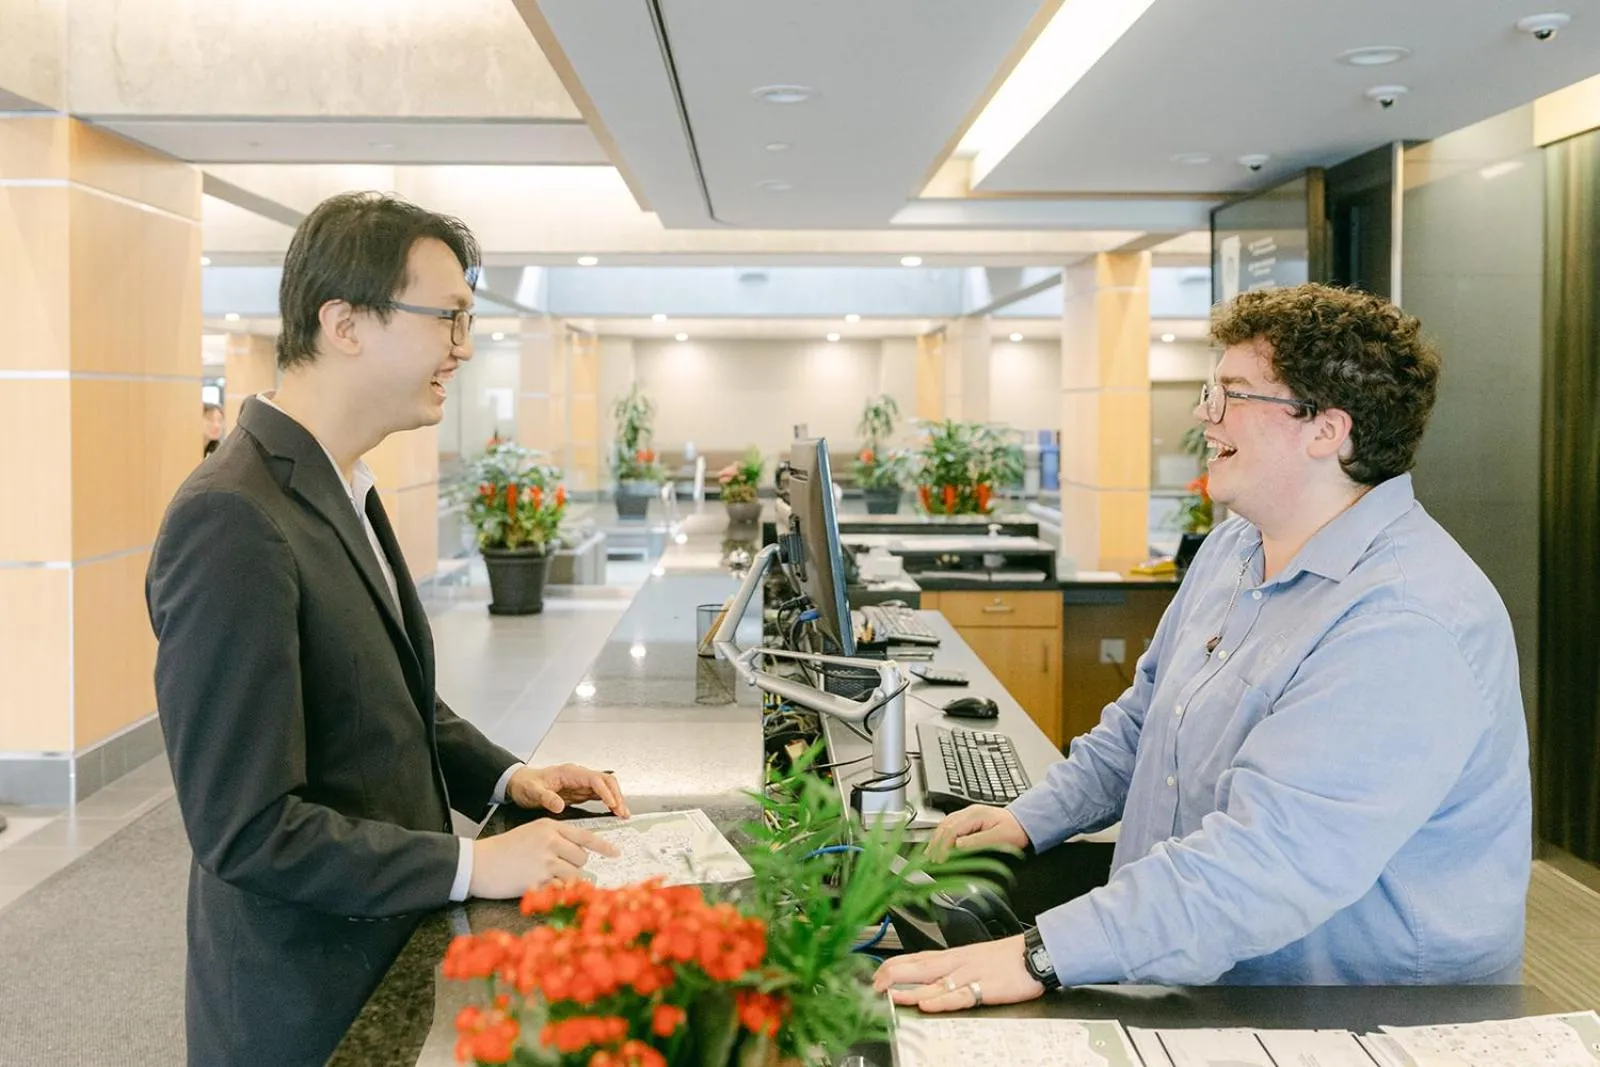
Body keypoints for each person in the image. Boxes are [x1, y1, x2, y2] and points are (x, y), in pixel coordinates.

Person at [875, 283, 1530, 1010]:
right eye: (1208, 390)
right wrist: (1032, 817)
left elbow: (1266, 863)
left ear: (1326, 430)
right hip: (1198, 972)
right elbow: (1144, 719)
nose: (1203, 414)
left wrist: (1040, 954)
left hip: (1354, 1015)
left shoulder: (1404, 620)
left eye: (1233, 394)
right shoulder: (1234, 549)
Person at [146, 192, 631, 1066]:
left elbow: (388, 696)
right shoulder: (232, 517)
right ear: (345, 323)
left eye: (468, 319)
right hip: (302, 1006)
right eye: (446, 317)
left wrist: (509, 778)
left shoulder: (344, 484)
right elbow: (245, 828)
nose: (464, 345)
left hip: (381, 955)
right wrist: (471, 866)